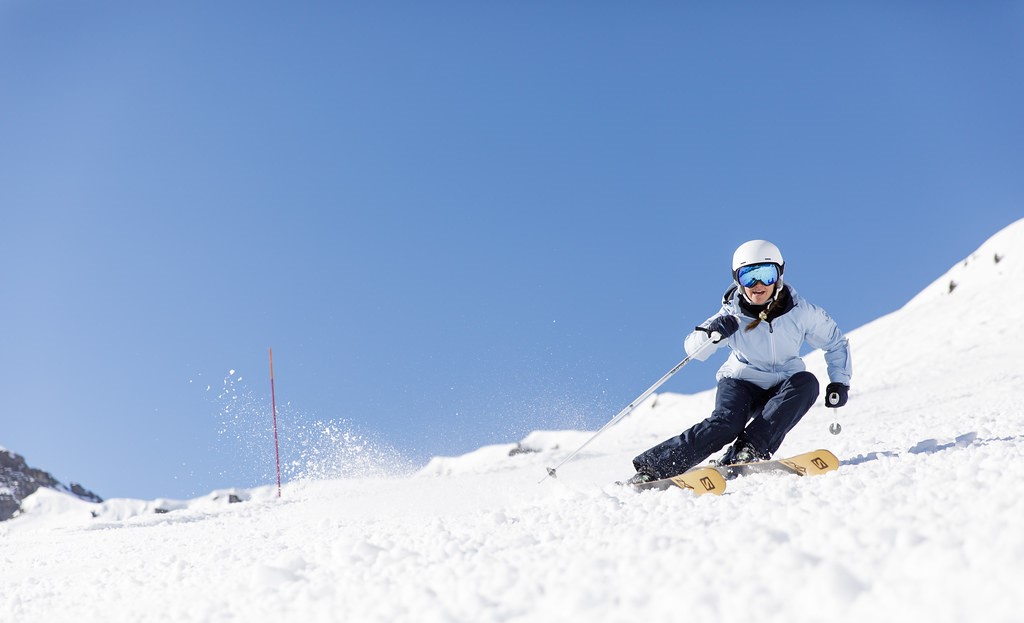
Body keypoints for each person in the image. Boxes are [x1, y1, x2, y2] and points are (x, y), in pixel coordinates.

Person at [627, 240, 852, 484]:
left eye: (766, 275)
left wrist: (840, 382)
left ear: (779, 275)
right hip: (740, 382)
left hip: (783, 384)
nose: (758, 285)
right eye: (749, 276)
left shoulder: (801, 312)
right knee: (727, 424)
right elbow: (694, 350)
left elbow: (835, 342)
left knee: (807, 383)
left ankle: (748, 451)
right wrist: (712, 335)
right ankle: (655, 467)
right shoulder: (731, 315)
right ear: (737, 280)